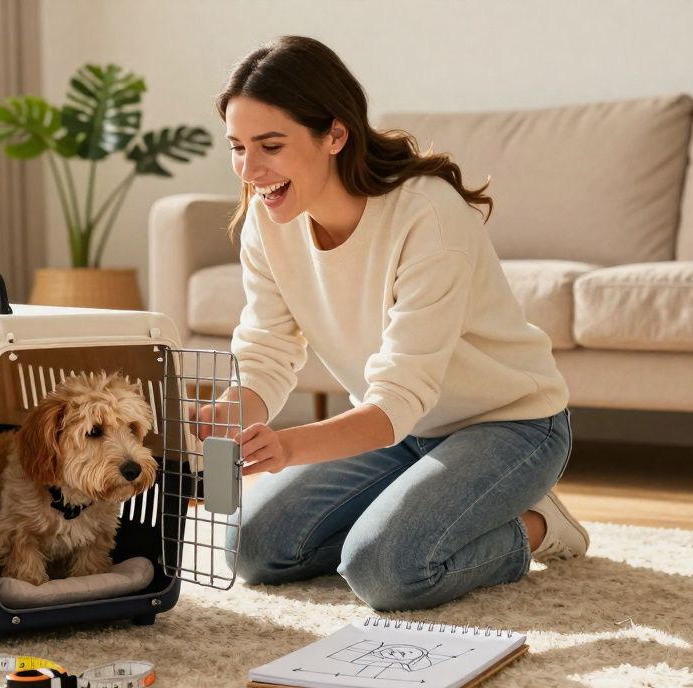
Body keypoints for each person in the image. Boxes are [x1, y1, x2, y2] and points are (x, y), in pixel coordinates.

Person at [196, 36, 588, 612]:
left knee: (384, 569)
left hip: (509, 427)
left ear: (334, 134)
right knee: (251, 550)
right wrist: (227, 416)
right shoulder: (267, 218)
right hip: (397, 431)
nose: (250, 170)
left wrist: (287, 447)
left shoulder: (426, 216)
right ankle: (418, 504)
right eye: (237, 147)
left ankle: (537, 523)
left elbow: (400, 397)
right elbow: (266, 352)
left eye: (270, 146)